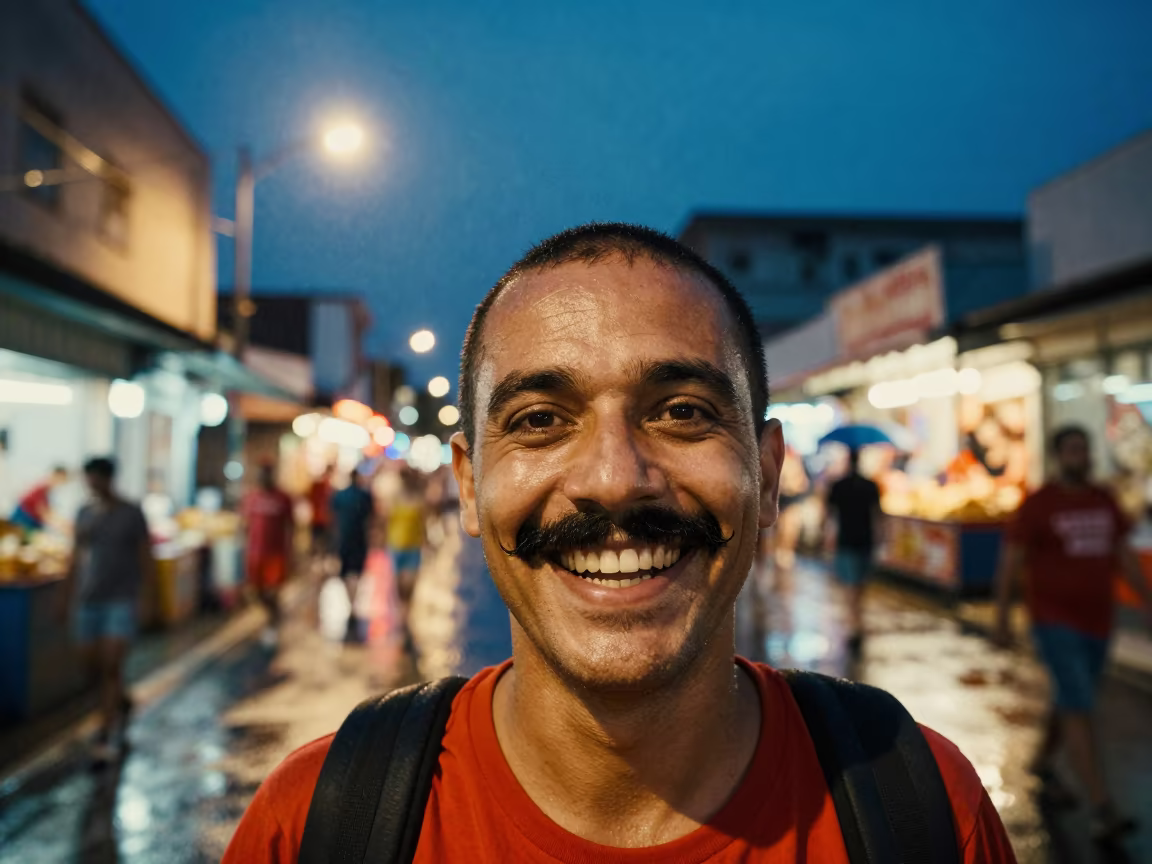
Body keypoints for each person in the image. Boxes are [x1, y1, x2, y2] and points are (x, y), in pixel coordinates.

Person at [225, 223, 1012, 862]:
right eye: (538, 420)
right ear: (468, 486)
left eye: (681, 412)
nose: (612, 479)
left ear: (768, 476)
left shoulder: (925, 811)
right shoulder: (313, 827)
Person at [995, 424, 1152, 841]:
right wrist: (1001, 615)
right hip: (1053, 620)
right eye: (1071, 450)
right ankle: (1104, 808)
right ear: (1057, 454)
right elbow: (1012, 559)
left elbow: (1123, 554)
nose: (1079, 456)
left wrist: (1146, 600)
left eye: (1084, 449)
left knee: (1071, 698)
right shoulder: (1039, 505)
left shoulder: (1104, 500)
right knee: (1079, 703)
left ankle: (1044, 763)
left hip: (1099, 622)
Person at [63, 458, 152, 764]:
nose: (92, 485)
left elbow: (145, 554)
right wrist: (65, 596)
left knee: (111, 665)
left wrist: (149, 598)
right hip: (89, 601)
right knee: (91, 669)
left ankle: (104, 733)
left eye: (95, 479)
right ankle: (122, 705)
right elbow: (74, 556)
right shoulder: (84, 513)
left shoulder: (131, 512)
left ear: (108, 479)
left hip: (121, 600)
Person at [824, 447, 883, 656]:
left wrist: (826, 539)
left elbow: (829, 515)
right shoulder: (871, 485)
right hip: (865, 542)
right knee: (860, 586)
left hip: (845, 541)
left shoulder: (838, 485)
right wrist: (880, 540)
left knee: (849, 588)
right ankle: (858, 624)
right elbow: (878, 515)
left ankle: (854, 626)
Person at [241, 463, 295, 645]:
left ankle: (273, 623)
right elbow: (245, 525)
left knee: (273, 592)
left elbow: (291, 527)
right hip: (255, 554)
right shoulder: (251, 498)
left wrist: (291, 555)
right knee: (256, 592)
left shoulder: (283, 498)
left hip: (276, 555)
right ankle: (274, 616)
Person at [330, 468, 375, 639]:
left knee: (350, 573)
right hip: (354, 541)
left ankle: (352, 603)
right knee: (352, 574)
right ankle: (352, 602)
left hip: (348, 540)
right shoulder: (360, 496)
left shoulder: (349, 496)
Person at [386, 467, 426, 649]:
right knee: (399, 589)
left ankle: (405, 619)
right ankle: (403, 620)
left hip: (413, 549)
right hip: (396, 548)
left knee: (408, 586)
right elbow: (386, 521)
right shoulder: (394, 498)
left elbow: (423, 524)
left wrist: (426, 543)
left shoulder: (419, 500)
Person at [11, 466, 69, 533]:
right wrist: (63, 527)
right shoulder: (40, 489)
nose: (60, 484)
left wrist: (64, 523)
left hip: (29, 524)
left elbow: (49, 512)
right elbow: (43, 513)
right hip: (22, 523)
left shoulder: (47, 492)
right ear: (55, 475)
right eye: (61, 479)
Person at [308, 465, 335, 564]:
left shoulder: (327, 487)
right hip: (319, 518)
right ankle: (317, 556)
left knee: (321, 540)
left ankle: (319, 556)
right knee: (318, 539)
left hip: (323, 518)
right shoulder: (319, 486)